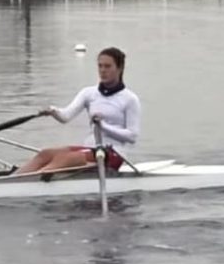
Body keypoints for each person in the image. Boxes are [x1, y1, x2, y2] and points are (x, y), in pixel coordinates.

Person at [17, 46, 141, 175]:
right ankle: (12, 179)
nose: (103, 70)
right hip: (90, 149)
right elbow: (65, 117)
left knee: (69, 158)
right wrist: (53, 111)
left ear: (119, 68)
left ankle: (33, 179)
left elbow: (132, 136)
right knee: (45, 154)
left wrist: (103, 126)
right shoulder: (89, 93)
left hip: (113, 154)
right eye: (100, 66)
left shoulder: (130, 99)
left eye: (107, 66)